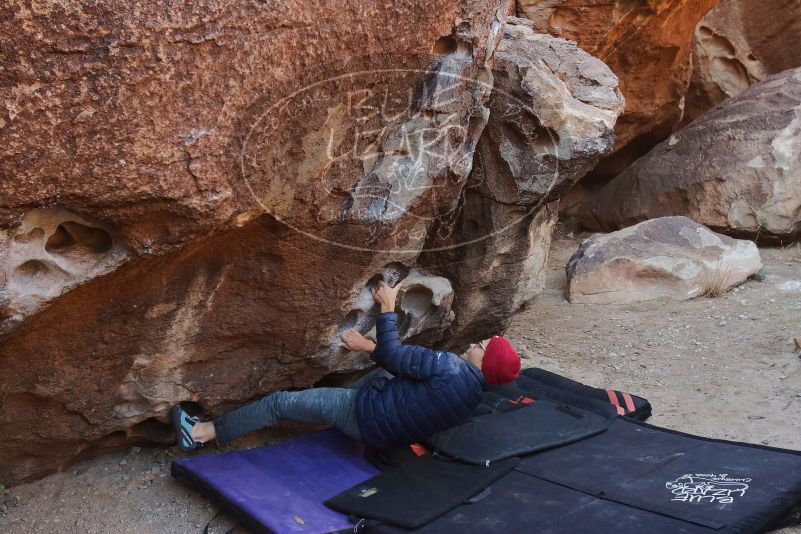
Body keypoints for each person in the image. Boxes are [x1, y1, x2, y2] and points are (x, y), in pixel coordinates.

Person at [172, 280, 522, 452]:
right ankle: (330, 399)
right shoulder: (471, 396)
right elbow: (404, 371)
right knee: (386, 371)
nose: (476, 344)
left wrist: (387, 307)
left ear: (485, 363)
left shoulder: (449, 367)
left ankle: (201, 434)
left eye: (483, 347)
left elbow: (399, 356)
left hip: (364, 415)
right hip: (388, 433)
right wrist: (368, 346)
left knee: (280, 403)